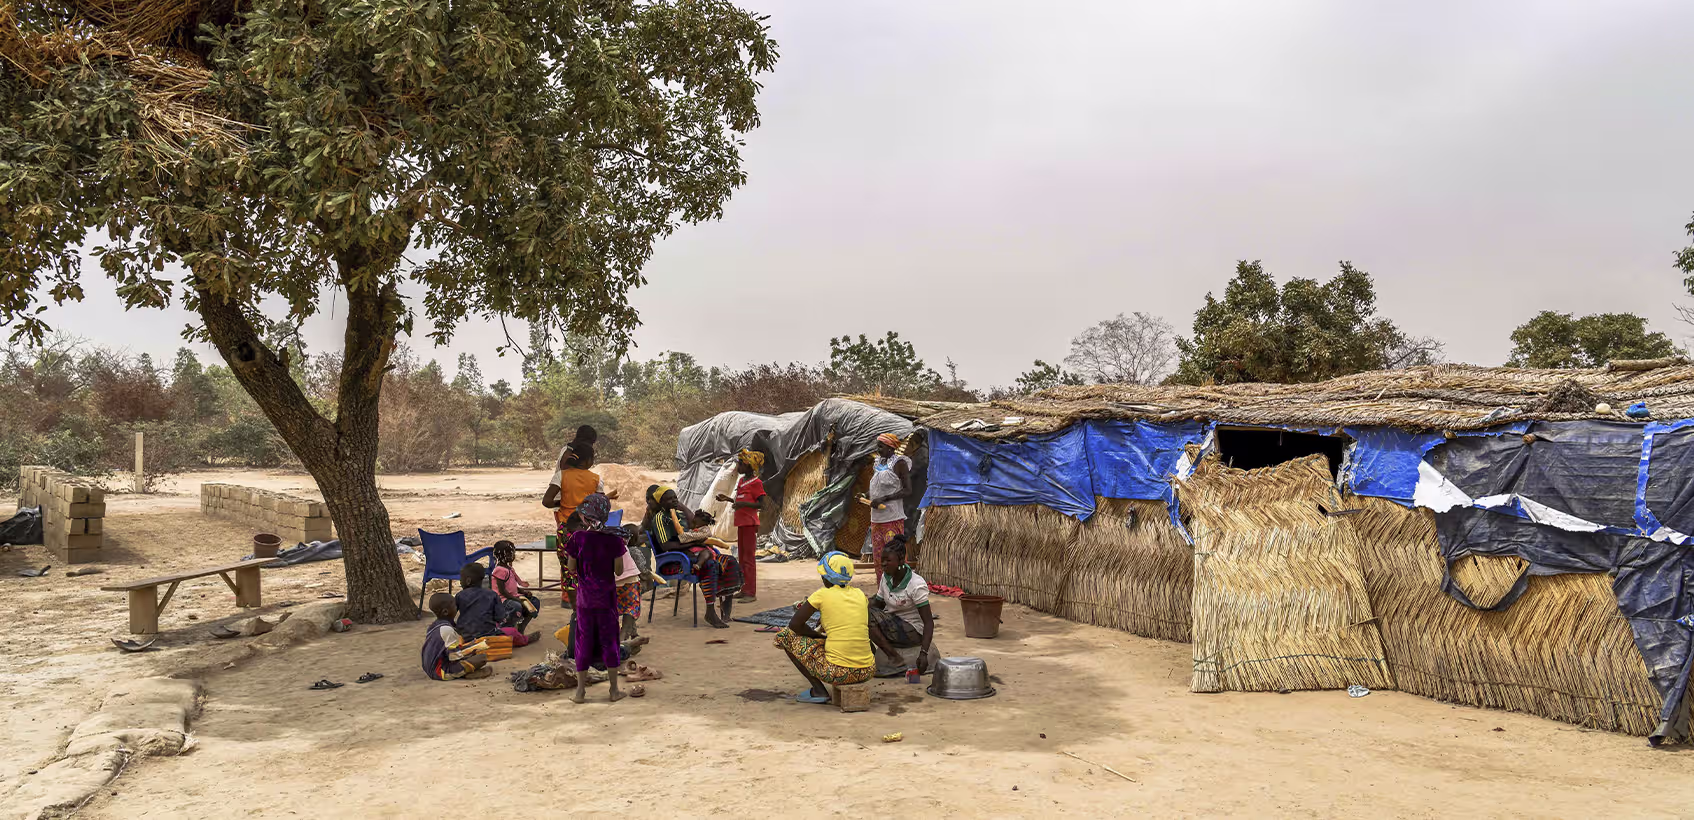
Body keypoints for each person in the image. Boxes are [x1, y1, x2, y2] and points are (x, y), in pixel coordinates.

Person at [774, 551, 900, 704]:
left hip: (838, 672)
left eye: (823, 575)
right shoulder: (860, 595)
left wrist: (818, 636)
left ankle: (819, 690)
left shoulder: (821, 594)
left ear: (827, 577)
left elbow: (795, 625)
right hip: (868, 670)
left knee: (785, 636)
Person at [645, 485, 742, 628]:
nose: (673, 501)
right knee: (711, 565)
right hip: (676, 559)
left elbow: (695, 521)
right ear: (661, 503)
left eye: (675, 498)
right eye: (669, 499)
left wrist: (681, 507)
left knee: (730, 562)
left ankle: (725, 611)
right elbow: (666, 546)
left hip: (695, 554)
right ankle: (710, 611)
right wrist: (694, 543)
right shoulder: (660, 519)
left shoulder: (679, 514)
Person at [564, 493, 627, 704]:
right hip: (607, 600)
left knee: (583, 642)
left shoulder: (577, 539)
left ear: (584, 517)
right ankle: (614, 690)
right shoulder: (615, 540)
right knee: (610, 642)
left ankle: (580, 692)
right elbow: (619, 571)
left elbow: (571, 567)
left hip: (584, 601)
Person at [542, 431, 617, 607]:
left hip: (566, 529)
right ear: (589, 461)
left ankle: (574, 608)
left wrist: (564, 502)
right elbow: (600, 505)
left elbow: (546, 501)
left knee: (568, 569)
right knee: (590, 567)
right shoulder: (595, 479)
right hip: (589, 530)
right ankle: (590, 601)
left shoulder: (562, 475)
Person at [869, 535, 937, 676]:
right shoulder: (886, 577)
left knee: (866, 615)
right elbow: (878, 604)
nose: (884, 564)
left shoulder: (916, 584)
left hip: (913, 630)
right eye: (883, 561)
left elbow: (928, 622)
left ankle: (895, 657)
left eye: (888, 561)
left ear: (901, 560)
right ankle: (871, 654)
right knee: (860, 613)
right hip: (893, 624)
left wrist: (923, 653)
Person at [859, 432, 912, 585]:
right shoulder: (878, 463)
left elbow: (908, 490)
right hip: (876, 519)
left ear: (890, 448)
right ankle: (883, 592)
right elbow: (876, 488)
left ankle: (901, 590)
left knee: (895, 557)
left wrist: (885, 499)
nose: (878, 449)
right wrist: (865, 495)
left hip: (892, 518)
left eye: (881, 446)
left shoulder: (900, 463)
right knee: (879, 559)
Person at [716, 448, 767, 603]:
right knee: (742, 558)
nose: (738, 466)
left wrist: (742, 503)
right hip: (741, 523)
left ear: (750, 466)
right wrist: (728, 499)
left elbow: (761, 504)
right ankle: (744, 588)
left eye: (741, 463)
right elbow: (741, 502)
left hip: (750, 524)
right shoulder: (742, 481)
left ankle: (751, 592)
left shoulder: (756, 482)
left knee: (749, 559)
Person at [455, 563, 538, 647]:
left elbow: (452, 615)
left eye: (461, 579)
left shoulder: (459, 595)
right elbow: (500, 617)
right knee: (512, 631)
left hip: (466, 636)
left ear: (468, 581)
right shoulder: (492, 594)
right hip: (489, 635)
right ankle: (525, 640)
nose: (460, 582)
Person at [421, 592, 491, 681]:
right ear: (446, 612)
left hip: (431, 668)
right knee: (481, 658)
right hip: (440, 671)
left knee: (474, 652)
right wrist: (472, 649)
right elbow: (454, 657)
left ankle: (464, 671)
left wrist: (470, 646)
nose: (457, 608)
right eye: (455, 606)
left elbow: (448, 650)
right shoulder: (447, 630)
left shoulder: (435, 626)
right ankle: (465, 674)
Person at [490, 540, 541, 633]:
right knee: (516, 606)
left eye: (513, 553)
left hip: (512, 596)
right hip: (502, 599)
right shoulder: (500, 570)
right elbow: (502, 591)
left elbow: (511, 585)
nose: (512, 556)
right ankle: (505, 629)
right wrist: (516, 599)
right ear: (499, 555)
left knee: (535, 602)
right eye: (509, 554)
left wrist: (523, 592)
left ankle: (521, 626)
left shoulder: (509, 568)